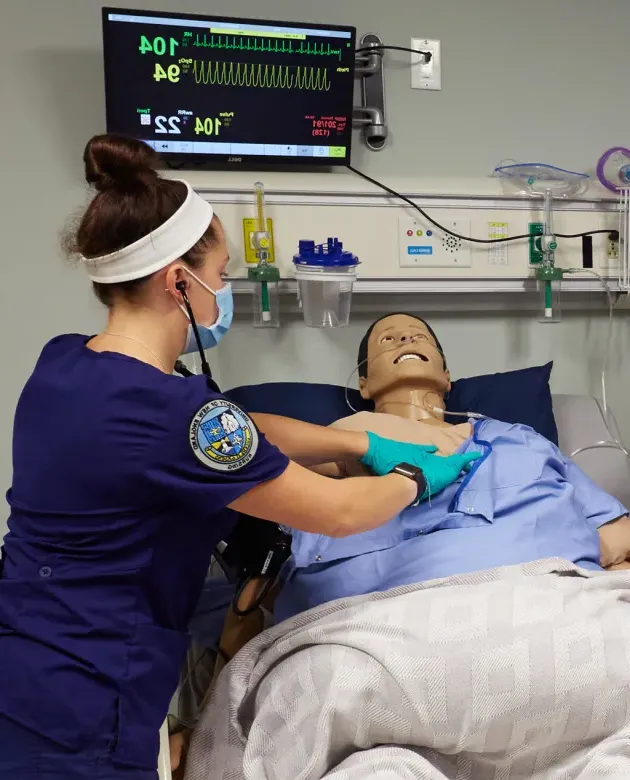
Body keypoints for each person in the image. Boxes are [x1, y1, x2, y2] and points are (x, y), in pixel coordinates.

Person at [0, 137, 478, 779]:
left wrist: (354, 440)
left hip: (25, 652)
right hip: (85, 693)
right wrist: (416, 475)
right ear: (179, 281)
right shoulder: (173, 418)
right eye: (220, 276)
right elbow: (336, 513)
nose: (222, 292)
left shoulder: (63, 361)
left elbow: (234, 429)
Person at [274, 312, 630, 621]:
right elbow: (235, 452)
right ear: (363, 384)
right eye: (388, 339)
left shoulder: (520, 440)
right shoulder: (335, 448)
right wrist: (360, 441)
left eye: (419, 337)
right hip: (382, 621)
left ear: (447, 376)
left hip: (561, 606)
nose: (405, 338)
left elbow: (617, 538)